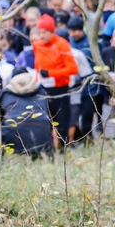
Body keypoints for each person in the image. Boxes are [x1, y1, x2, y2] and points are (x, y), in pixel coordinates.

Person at [32, 14, 79, 147]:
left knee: (62, 123)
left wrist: (52, 73)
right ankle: (47, 149)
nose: (41, 36)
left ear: (52, 31)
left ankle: (63, 149)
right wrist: (37, 80)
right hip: (43, 89)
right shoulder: (37, 44)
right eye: (39, 32)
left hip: (60, 89)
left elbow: (73, 68)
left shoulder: (62, 44)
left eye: (44, 32)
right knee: (45, 121)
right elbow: (37, 66)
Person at [0, 68, 54, 158]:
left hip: (12, 132)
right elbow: (52, 115)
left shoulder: (6, 93)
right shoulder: (42, 91)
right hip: (41, 135)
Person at [67, 16, 103, 144]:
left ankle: (89, 143)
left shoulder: (92, 42)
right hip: (73, 89)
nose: (73, 34)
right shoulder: (68, 42)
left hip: (90, 88)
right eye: (70, 31)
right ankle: (78, 142)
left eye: (75, 30)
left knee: (87, 120)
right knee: (73, 120)